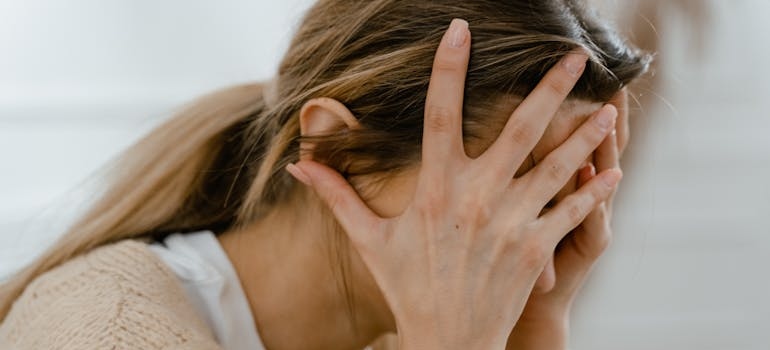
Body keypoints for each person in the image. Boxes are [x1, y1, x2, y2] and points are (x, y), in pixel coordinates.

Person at [0, 0, 650, 349]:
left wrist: (536, 328)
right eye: (513, 182)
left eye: (569, 191)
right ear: (337, 147)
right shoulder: (104, 334)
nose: (532, 247)